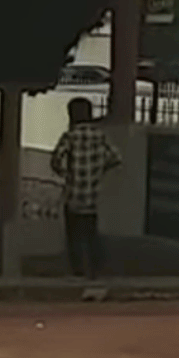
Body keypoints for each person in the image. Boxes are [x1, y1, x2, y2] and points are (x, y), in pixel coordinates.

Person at [50, 97, 121, 280]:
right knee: (90, 233)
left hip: (73, 194)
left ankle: (77, 270)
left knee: (73, 235)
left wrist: (65, 173)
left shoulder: (70, 135)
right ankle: (95, 269)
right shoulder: (100, 135)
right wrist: (99, 169)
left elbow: (56, 159)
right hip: (93, 195)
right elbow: (115, 157)